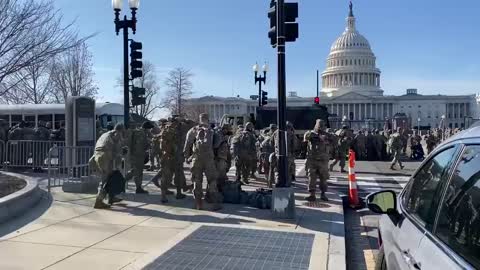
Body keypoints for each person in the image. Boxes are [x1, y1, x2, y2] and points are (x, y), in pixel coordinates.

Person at [184, 113, 222, 210]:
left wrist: (187, 157)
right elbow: (217, 144)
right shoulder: (213, 130)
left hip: (196, 158)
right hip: (209, 158)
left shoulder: (193, 130)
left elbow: (187, 144)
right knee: (212, 180)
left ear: (200, 119)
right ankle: (215, 204)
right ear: (208, 119)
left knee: (197, 180)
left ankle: (198, 204)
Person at [91, 123, 127, 209]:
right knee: (106, 180)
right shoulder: (116, 134)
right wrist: (123, 152)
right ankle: (98, 201)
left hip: (98, 157)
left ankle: (111, 197)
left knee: (111, 177)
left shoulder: (105, 134)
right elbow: (116, 151)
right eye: (123, 131)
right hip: (105, 158)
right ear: (120, 130)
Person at [304, 119, 332, 202]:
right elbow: (306, 137)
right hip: (312, 160)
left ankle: (323, 194)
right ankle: (312, 195)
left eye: (322, 126)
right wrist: (316, 134)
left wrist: (325, 135)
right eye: (319, 126)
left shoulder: (328, 135)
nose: (320, 128)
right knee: (311, 178)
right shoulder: (311, 133)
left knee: (323, 178)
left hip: (323, 161)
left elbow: (335, 140)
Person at [125, 121, 154, 194]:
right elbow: (139, 146)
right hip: (137, 156)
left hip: (137, 155)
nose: (150, 131)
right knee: (136, 172)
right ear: (146, 128)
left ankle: (138, 188)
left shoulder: (141, 132)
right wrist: (148, 144)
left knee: (136, 172)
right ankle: (121, 182)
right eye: (149, 129)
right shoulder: (140, 133)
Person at [214, 123, 233, 192]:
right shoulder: (219, 135)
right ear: (224, 129)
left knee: (222, 174)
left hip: (223, 158)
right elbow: (216, 146)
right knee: (220, 176)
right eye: (227, 130)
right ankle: (217, 190)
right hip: (219, 158)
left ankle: (219, 189)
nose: (228, 132)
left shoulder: (223, 135)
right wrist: (223, 139)